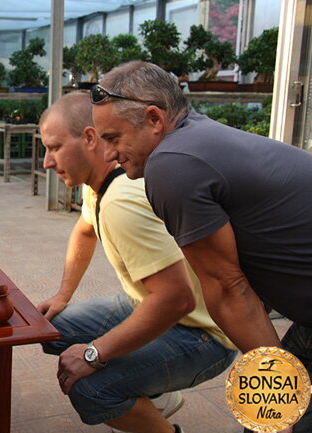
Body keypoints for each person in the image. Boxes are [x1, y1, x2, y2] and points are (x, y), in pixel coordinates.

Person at [92, 60, 312, 433]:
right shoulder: (195, 135)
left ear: (154, 119)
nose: (108, 154)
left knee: (271, 415)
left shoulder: (172, 165)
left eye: (113, 138)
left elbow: (228, 289)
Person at [37, 92, 237, 433]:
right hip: (148, 304)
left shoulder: (121, 202)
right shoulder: (98, 184)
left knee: (91, 388)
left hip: (203, 335)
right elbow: (85, 231)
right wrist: (62, 295)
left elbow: (177, 299)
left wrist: (93, 353)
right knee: (49, 330)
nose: (46, 162)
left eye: (54, 147)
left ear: (88, 138)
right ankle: (155, 396)